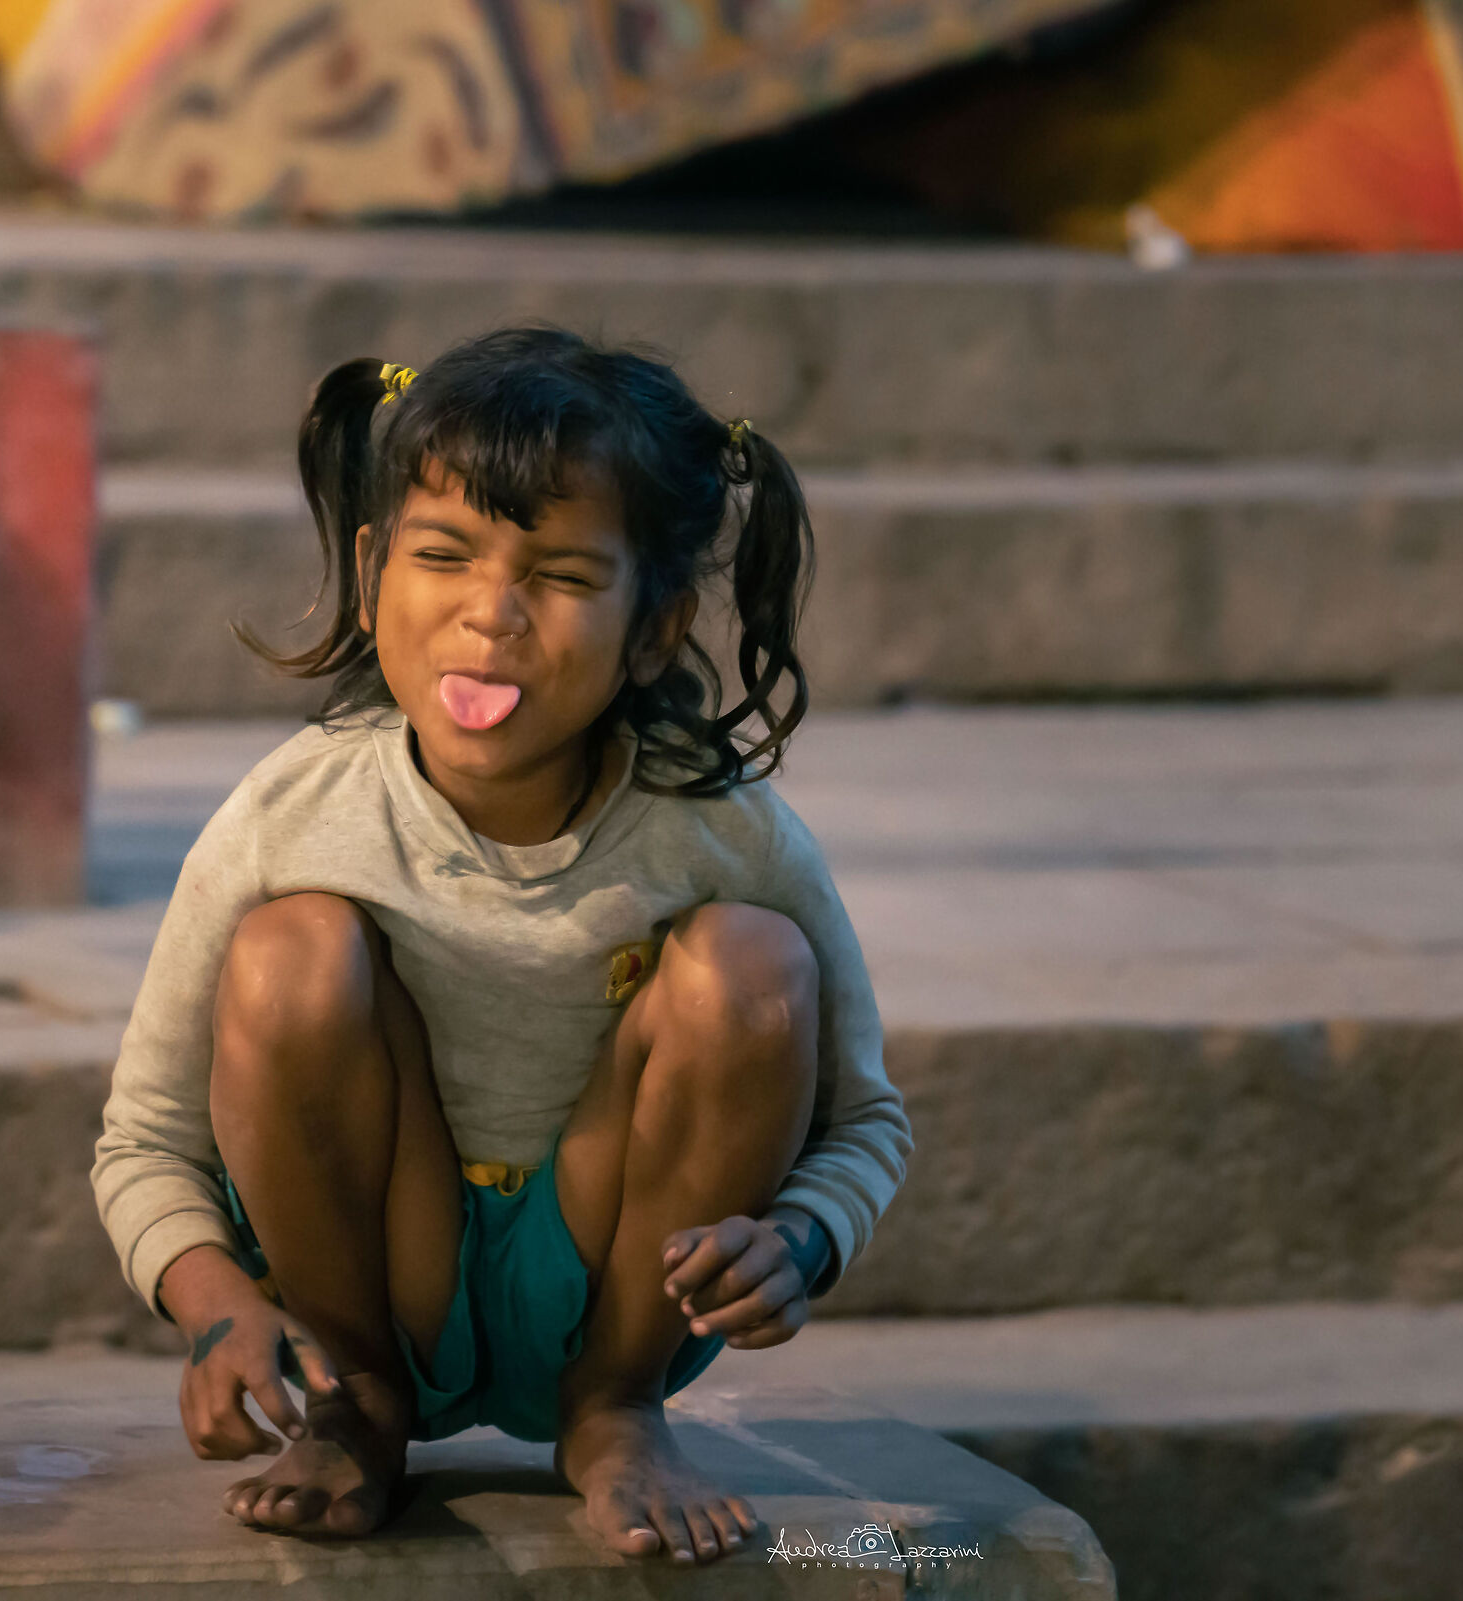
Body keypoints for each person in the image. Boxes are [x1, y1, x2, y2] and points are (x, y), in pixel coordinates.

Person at [89, 325, 912, 1561]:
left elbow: (866, 1120)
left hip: (621, 1278)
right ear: (372, 572)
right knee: (289, 951)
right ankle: (360, 1404)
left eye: (564, 576)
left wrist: (799, 1238)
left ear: (654, 626)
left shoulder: (724, 830)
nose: (491, 614)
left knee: (753, 964)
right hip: (379, 1268)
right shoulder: (289, 813)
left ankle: (616, 1410)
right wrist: (215, 1306)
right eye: (442, 555)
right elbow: (143, 1137)